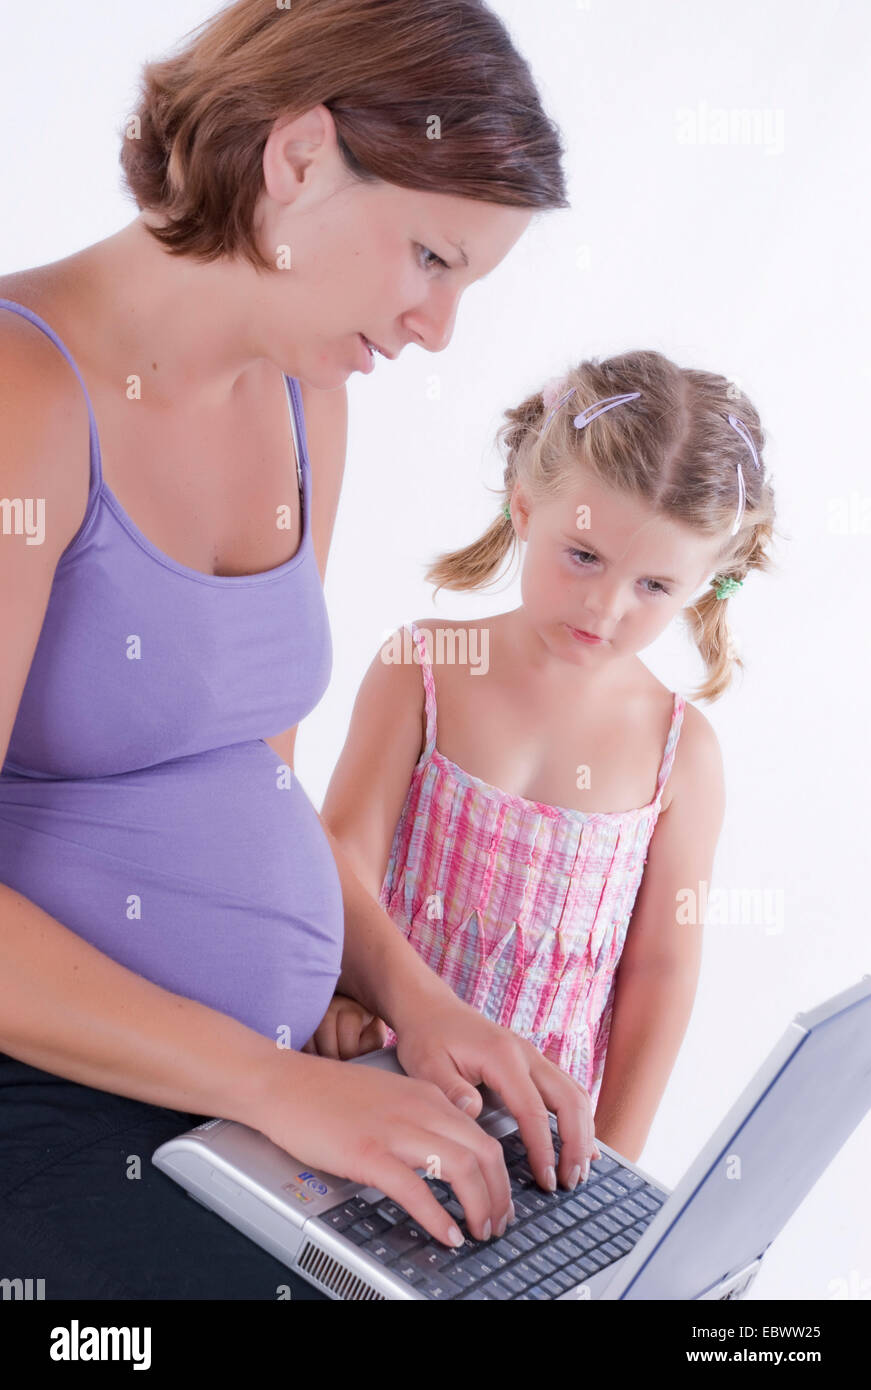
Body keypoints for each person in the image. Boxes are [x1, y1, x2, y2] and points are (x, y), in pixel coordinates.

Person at [0, 0, 600, 1300]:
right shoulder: (22, 389)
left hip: (245, 1095)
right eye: (430, 258)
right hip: (57, 1102)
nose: (436, 327)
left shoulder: (302, 394)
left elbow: (259, 790)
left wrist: (418, 1001)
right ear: (298, 157)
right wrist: (278, 1087)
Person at [317, 349, 778, 1163]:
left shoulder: (679, 754)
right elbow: (342, 861)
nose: (605, 606)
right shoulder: (422, 670)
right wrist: (343, 1003)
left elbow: (659, 972)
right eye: (584, 556)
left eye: (653, 587)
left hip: (536, 1140)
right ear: (523, 507)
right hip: (370, 1088)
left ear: (708, 582)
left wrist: (616, 1165)